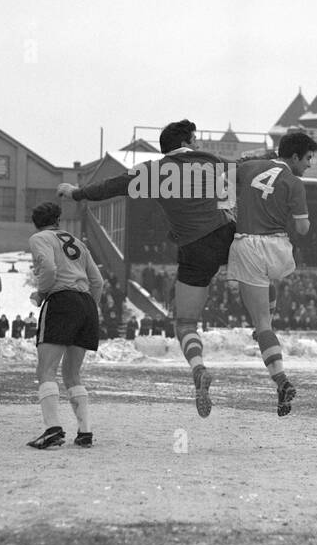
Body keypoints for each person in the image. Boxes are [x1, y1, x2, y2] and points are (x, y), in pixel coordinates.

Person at [57, 118, 235, 418]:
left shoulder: (155, 172)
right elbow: (238, 186)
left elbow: (110, 187)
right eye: (196, 139)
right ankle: (266, 327)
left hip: (194, 248)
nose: (200, 144)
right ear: (187, 142)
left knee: (186, 322)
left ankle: (198, 368)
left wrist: (76, 193)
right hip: (228, 236)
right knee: (259, 272)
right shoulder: (215, 163)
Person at [227, 129, 316, 417]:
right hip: (279, 250)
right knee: (266, 286)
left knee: (262, 324)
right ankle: (265, 328)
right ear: (294, 156)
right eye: (308, 159)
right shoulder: (294, 182)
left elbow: (224, 176)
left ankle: (281, 381)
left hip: (248, 245)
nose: (309, 165)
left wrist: (228, 208)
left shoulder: (250, 167)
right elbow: (302, 229)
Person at [25, 201, 102, 450]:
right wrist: (90, 307)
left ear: (36, 223)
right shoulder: (77, 242)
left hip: (61, 301)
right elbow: (97, 281)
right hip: (87, 304)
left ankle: (53, 430)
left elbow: (48, 266)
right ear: (58, 220)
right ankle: (85, 432)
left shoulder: (40, 238)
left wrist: (42, 291)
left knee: (45, 370)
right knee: (72, 373)